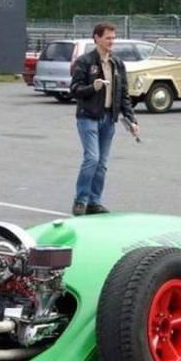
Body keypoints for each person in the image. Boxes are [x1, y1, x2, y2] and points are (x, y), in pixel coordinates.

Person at [69, 22, 139, 216]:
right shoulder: (85, 62)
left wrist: (131, 120)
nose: (111, 41)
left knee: (102, 163)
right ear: (97, 38)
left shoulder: (117, 63)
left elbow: (123, 94)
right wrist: (93, 87)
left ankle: (94, 202)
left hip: (109, 119)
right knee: (92, 158)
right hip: (88, 117)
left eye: (113, 38)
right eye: (108, 38)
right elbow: (74, 90)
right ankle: (80, 200)